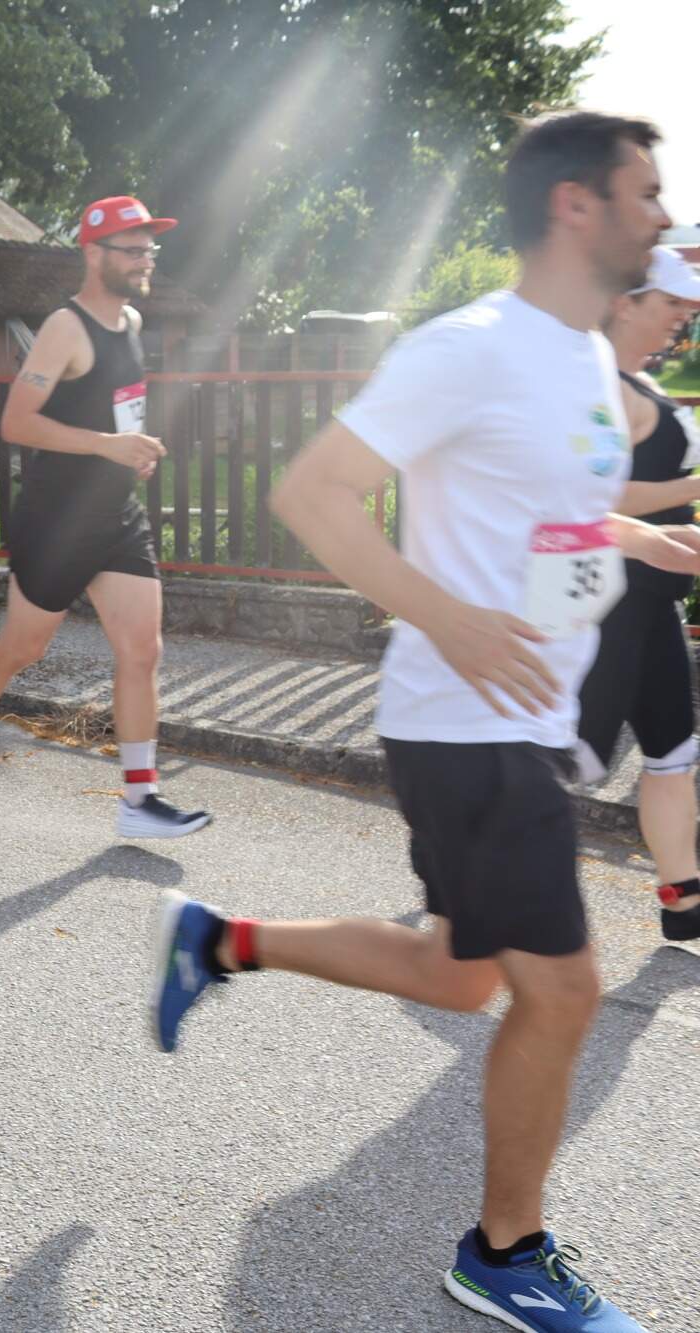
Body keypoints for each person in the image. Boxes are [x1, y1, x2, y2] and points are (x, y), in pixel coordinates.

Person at [157, 111, 686, 1332]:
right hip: (464, 719)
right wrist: (444, 617)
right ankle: (505, 1254)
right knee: (562, 991)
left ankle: (217, 940)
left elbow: (546, 509)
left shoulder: (577, 358)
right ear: (573, 205)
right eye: (645, 192)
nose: (662, 217)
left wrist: (644, 539)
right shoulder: (469, 346)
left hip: (519, 719)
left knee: (455, 977)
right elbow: (311, 493)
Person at [0, 195, 207, 837]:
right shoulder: (64, 328)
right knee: (25, 646)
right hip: (55, 519)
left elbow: (113, 410)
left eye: (150, 248)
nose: (146, 259)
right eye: (133, 249)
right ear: (95, 254)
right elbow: (16, 422)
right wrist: (106, 445)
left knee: (143, 649)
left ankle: (139, 800)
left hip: (115, 515)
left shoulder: (131, 322)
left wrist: (129, 451)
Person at [577, 244, 700, 943]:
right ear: (625, 304)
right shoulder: (599, 384)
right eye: (671, 303)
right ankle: (451, 859)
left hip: (653, 602)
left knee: (672, 749)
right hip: (607, 603)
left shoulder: (638, 380)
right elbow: (597, 497)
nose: (682, 318)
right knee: (568, 756)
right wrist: (695, 487)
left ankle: (684, 901)